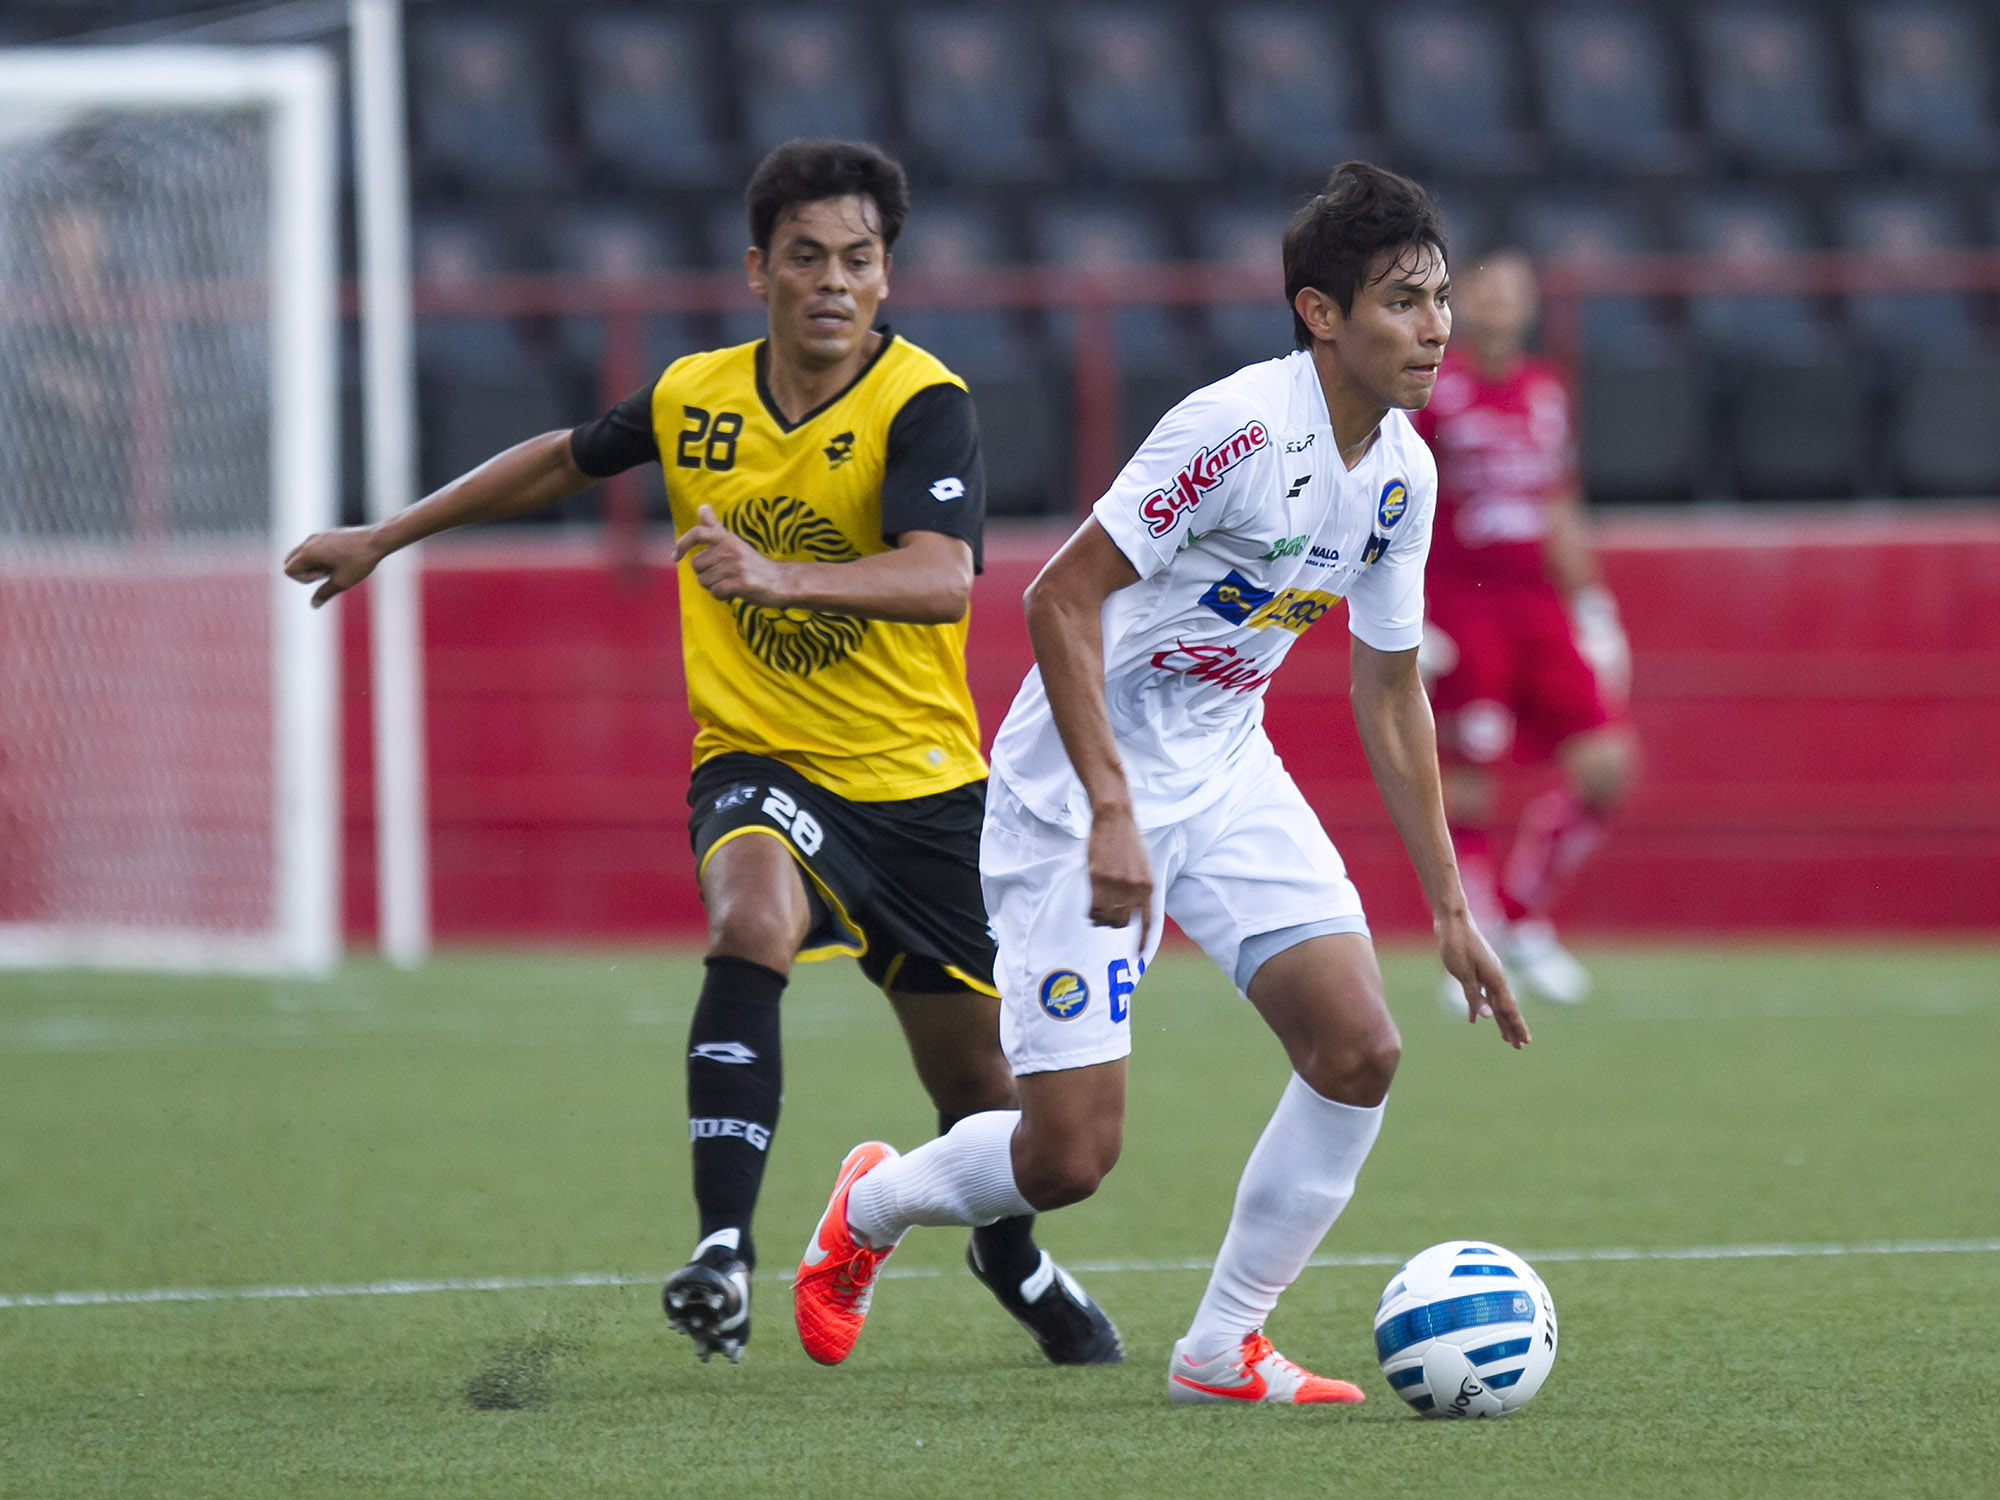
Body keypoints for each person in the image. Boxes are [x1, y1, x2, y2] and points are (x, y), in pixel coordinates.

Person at [282, 140, 1120, 1369]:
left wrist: (773, 572)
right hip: (757, 759)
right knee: (748, 922)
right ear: (756, 270)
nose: (831, 282)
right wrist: (386, 535)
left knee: (991, 1102)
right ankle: (721, 1254)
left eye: (857, 259)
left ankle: (1007, 1251)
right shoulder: (694, 397)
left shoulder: (924, 401)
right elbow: (567, 458)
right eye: (805, 258)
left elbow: (942, 580)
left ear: (886, 277)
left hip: (921, 787)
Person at [791, 162, 1530, 1402]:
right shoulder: (1233, 429)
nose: (1437, 326)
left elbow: (1388, 688)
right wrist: (1113, 813)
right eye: (1403, 301)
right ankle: (871, 1203)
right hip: (1073, 795)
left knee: (1357, 1050)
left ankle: (1218, 1346)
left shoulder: (1401, 472)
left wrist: (1451, 906)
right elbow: (1055, 598)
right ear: (1320, 313)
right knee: (1070, 1155)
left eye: (1441, 297)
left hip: (1227, 766)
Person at [1410, 250, 1638, 1009]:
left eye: (1514, 292)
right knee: (1470, 779)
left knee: (1607, 763)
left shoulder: (1547, 391)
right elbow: (1397, 497)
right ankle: (1469, 935)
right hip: (1463, 601)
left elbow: (1559, 502)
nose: (1501, 305)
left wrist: (1593, 604)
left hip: (1538, 603)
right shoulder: (1437, 393)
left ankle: (1519, 919)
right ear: (1462, 302)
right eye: (1487, 292)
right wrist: (1408, 607)